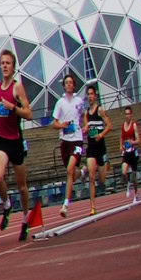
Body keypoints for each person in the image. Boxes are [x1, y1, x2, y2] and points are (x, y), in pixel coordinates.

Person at [0, 49, 34, 242]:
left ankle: (24, 219)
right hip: (1, 139)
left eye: (8, 63)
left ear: (13, 67)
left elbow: (29, 113)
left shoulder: (17, 88)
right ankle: (6, 205)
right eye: (2, 63)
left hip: (16, 141)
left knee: (22, 187)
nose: (4, 66)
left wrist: (13, 107)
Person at [52, 71, 86, 217]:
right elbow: (54, 123)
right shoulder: (60, 103)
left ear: (74, 85)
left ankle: (65, 205)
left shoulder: (79, 101)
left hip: (77, 140)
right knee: (72, 172)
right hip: (65, 141)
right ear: (64, 86)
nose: (69, 85)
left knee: (70, 169)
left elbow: (84, 116)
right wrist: (62, 125)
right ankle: (83, 172)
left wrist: (85, 126)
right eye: (66, 83)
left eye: (71, 83)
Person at [81, 83, 110, 215]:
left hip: (101, 148)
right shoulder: (86, 113)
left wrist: (101, 134)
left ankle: (102, 165)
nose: (90, 97)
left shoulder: (100, 110)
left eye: (92, 94)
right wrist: (85, 130)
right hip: (91, 147)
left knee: (102, 181)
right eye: (88, 95)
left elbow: (109, 125)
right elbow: (86, 128)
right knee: (92, 178)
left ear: (95, 95)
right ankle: (93, 207)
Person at [121, 108, 140, 203]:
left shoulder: (134, 125)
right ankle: (128, 184)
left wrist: (132, 142)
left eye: (128, 114)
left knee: (134, 175)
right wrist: (121, 146)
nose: (127, 116)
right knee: (124, 172)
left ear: (131, 115)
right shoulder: (123, 126)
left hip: (133, 152)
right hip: (126, 153)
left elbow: (139, 140)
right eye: (126, 114)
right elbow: (121, 137)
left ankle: (136, 195)